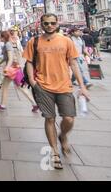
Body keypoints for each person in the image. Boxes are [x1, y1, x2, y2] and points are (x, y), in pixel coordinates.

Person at [24, 14, 91, 170]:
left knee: (69, 119)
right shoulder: (33, 42)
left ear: (57, 24)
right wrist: (34, 83)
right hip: (43, 86)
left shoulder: (66, 41)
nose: (49, 25)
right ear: (41, 24)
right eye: (46, 23)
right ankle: (54, 151)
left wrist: (82, 86)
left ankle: (63, 136)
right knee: (50, 119)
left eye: (52, 23)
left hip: (64, 86)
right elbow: (29, 63)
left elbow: (74, 64)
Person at [0, 30, 39, 113]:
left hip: (12, 70)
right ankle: (35, 104)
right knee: (21, 87)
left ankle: (2, 105)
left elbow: (10, 58)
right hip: (15, 68)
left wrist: (6, 68)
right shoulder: (8, 44)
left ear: (4, 37)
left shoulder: (7, 44)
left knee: (4, 87)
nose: (0, 38)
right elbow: (6, 58)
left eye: (1, 36)